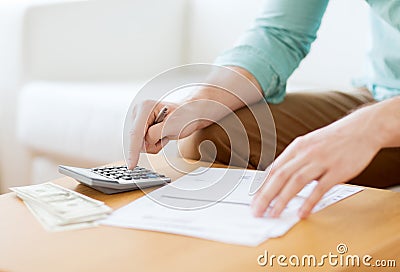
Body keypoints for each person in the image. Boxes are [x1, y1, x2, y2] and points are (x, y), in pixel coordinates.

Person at [127, 0, 400, 219]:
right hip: (383, 92)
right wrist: (201, 101)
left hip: (386, 115)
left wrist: (372, 126)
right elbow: (280, 33)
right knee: (216, 134)